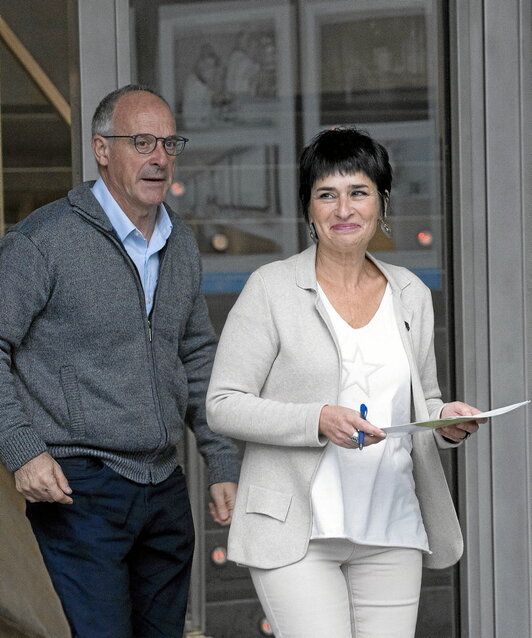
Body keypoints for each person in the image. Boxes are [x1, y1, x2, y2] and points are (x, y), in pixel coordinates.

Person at [206, 127, 485, 638]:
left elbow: (422, 397)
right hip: (298, 532)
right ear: (308, 209)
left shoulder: (410, 293)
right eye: (326, 195)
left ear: (382, 203)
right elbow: (223, 404)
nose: (343, 209)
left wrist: (444, 421)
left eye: (358, 192)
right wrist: (316, 418)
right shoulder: (271, 288)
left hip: (392, 525)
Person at [0, 84, 239, 638]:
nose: (159, 157)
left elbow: (196, 353)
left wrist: (220, 459)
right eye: (141, 142)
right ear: (101, 150)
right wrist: (24, 451)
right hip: (80, 487)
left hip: (164, 486)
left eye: (168, 143)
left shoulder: (179, 242)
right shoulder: (44, 241)